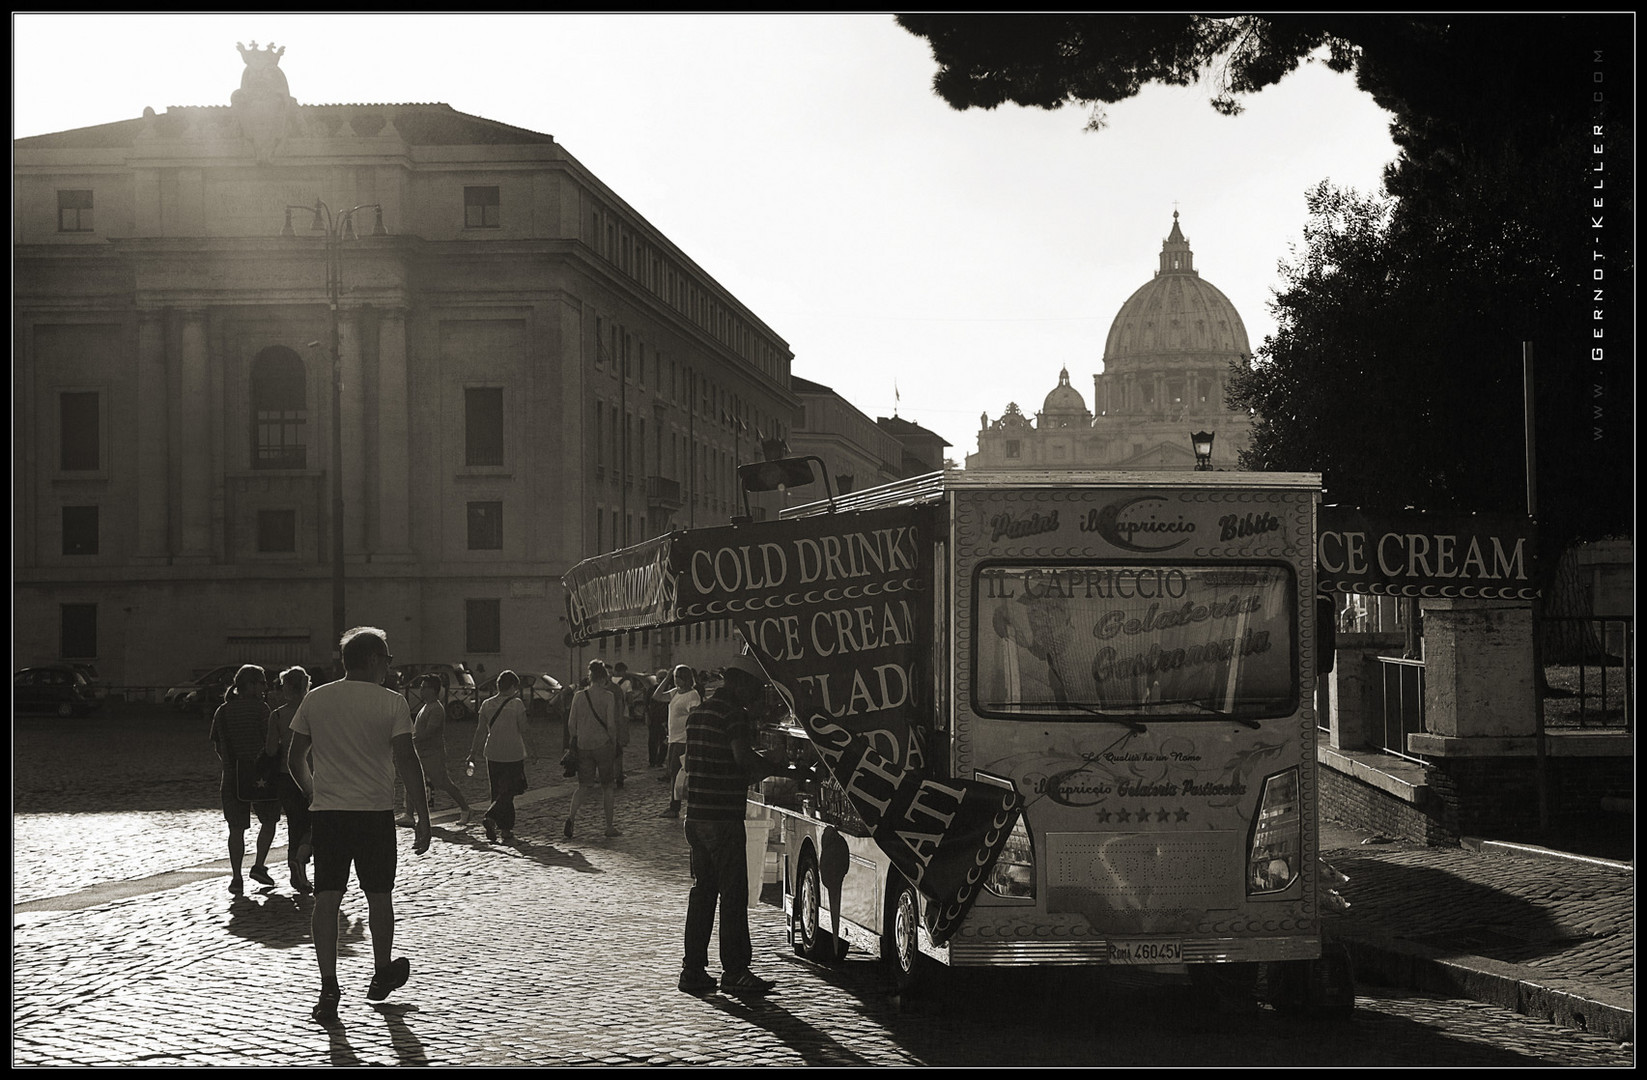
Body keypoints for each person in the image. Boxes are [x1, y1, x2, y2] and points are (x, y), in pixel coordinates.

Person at [288, 627, 430, 1026]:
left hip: (330, 814)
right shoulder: (392, 703)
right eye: (386, 659)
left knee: (327, 898)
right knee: (379, 895)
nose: (389, 666)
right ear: (371, 660)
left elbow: (295, 756)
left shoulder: (316, 699)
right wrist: (421, 815)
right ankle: (382, 969)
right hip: (373, 813)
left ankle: (328, 985)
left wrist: (314, 792)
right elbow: (406, 759)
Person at [678, 654, 783, 996]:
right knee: (733, 896)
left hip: (696, 816)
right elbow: (741, 758)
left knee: (703, 894)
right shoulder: (733, 716)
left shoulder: (698, 715)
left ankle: (692, 970)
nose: (754, 697)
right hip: (723, 817)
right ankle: (736, 970)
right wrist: (773, 765)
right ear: (739, 684)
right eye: (753, 689)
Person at [209, 664, 281, 895]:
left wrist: (232, 763)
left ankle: (236, 876)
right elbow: (269, 743)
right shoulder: (261, 709)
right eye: (261, 683)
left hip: (232, 776)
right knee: (269, 820)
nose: (265, 688)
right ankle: (259, 865)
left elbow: (218, 745)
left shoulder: (222, 710)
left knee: (236, 828)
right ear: (250, 685)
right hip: (262, 775)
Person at [564, 659, 625, 839]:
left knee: (583, 786)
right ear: (604, 678)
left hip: (583, 745)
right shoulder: (608, 697)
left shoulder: (579, 696)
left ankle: (571, 818)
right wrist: (614, 743)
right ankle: (609, 826)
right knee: (607, 787)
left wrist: (575, 740)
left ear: (590, 677)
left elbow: (570, 724)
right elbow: (612, 725)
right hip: (603, 745)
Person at [266, 666, 314, 894]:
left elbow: (270, 750)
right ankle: (303, 859)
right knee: (315, 824)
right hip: (312, 775)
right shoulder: (313, 712)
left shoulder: (277, 715)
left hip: (286, 777)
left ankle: (297, 871)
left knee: (294, 825)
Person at [467, 670, 528, 844]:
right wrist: (533, 750)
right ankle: (492, 818)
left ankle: (505, 830)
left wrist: (473, 752)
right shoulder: (517, 704)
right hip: (513, 752)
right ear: (513, 687)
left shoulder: (486, 704)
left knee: (497, 791)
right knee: (510, 790)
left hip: (492, 752)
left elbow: (480, 731)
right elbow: (524, 729)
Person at [412, 674, 474, 827]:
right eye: (421, 687)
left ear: (433, 690)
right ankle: (409, 814)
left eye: (424, 687)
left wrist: (411, 740)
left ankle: (465, 808)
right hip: (422, 752)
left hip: (433, 753)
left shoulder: (436, 709)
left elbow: (429, 732)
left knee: (443, 783)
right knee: (413, 782)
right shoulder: (425, 707)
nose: (421, 690)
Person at [659, 664, 700, 818]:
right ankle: (674, 805)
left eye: (678, 677)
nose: (676, 680)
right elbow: (657, 696)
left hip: (684, 740)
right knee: (673, 773)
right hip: (673, 738)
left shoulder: (692, 695)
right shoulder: (675, 692)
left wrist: (691, 741)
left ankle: (676, 806)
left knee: (681, 774)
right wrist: (667, 678)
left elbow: (694, 718)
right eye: (675, 677)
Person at [647, 668, 672, 768]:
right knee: (652, 741)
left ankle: (660, 761)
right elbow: (647, 705)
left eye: (664, 678)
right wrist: (647, 717)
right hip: (654, 719)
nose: (662, 680)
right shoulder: (652, 689)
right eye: (660, 678)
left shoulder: (670, 690)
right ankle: (652, 761)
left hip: (665, 719)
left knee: (664, 741)